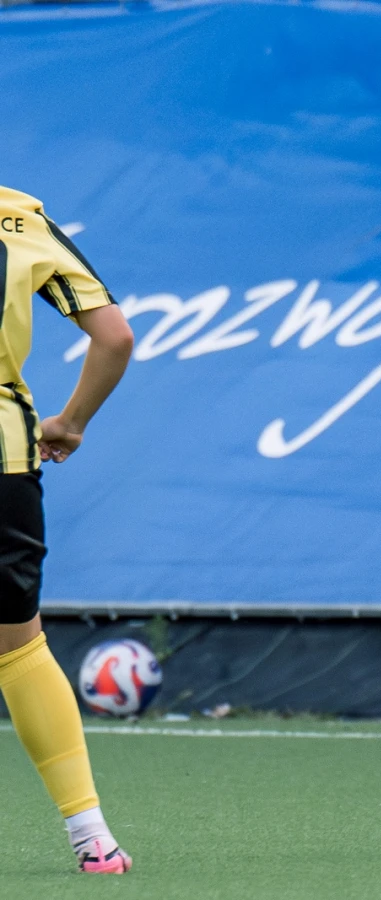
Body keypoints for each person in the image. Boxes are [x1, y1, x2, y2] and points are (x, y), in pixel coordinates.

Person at [0, 185, 136, 873]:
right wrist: (71, 422)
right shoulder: (16, 215)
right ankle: (93, 839)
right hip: (4, 454)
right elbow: (115, 337)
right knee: (19, 647)